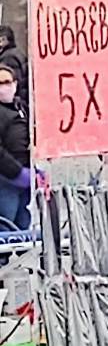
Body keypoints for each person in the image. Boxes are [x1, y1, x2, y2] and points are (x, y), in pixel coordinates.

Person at [0, 65, 30, 230]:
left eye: (7, 82)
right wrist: (17, 172)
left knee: (22, 227)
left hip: (24, 179)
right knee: (6, 227)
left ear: (15, 84)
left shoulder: (21, 107)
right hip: (5, 179)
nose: (3, 87)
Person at [0, 25, 28, 103]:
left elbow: (10, 84)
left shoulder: (8, 57)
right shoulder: (15, 53)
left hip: (12, 104)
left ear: (3, 40)